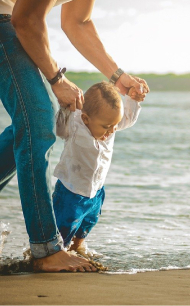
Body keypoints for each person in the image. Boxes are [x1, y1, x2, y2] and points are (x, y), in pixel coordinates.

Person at [0, 0, 148, 272]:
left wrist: (118, 76)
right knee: (37, 121)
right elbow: (26, 18)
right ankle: (46, 249)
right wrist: (57, 79)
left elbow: (79, 22)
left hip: (5, 13)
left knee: (33, 125)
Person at [51, 81, 145, 257]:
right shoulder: (74, 123)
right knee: (63, 227)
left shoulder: (110, 122)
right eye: (106, 127)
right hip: (70, 191)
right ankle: (57, 254)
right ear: (86, 118)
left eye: (114, 125)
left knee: (88, 222)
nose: (111, 131)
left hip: (96, 190)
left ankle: (78, 249)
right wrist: (64, 107)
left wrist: (133, 99)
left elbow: (129, 118)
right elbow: (58, 128)